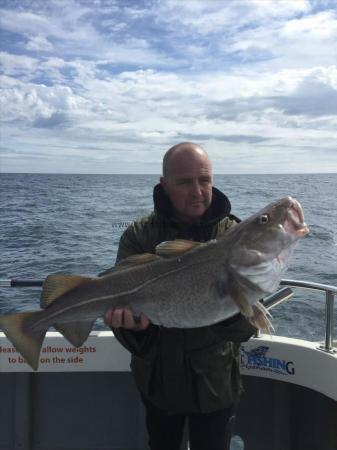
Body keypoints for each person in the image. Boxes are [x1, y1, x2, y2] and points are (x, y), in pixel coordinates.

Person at [103, 142, 256, 450]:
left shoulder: (234, 235)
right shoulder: (139, 236)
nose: (198, 191)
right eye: (185, 182)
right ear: (164, 184)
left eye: (205, 180)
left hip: (215, 384)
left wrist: (230, 303)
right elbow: (124, 314)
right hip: (158, 385)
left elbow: (245, 330)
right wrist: (132, 330)